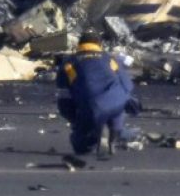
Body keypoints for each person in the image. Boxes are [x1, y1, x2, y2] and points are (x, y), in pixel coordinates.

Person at [56, 30, 138, 161]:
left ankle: (95, 134)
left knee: (80, 146)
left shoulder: (69, 63)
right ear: (99, 44)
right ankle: (114, 133)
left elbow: (63, 97)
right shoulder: (111, 59)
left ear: (80, 44)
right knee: (118, 106)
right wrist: (131, 104)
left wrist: (74, 119)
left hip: (89, 106)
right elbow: (127, 85)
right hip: (115, 103)